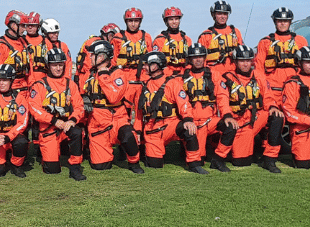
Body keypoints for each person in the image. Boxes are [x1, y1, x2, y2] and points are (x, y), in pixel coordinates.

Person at [122, 52, 206, 173]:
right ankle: (150, 155)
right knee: (154, 164)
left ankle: (194, 164)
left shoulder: (172, 83)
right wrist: (138, 131)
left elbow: (184, 103)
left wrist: (188, 119)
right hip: (152, 129)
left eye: (147, 65)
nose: (144, 67)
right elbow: (139, 112)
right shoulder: (143, 87)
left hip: (171, 124)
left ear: (155, 66)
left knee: (189, 129)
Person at [215, 45, 284, 173]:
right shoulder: (227, 78)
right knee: (241, 162)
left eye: (248, 60)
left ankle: (270, 159)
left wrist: (273, 106)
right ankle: (230, 151)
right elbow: (222, 100)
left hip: (255, 118)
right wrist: (228, 116)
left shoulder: (259, 76)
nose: (245, 64)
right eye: (242, 60)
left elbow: (268, 95)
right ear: (235, 61)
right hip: (239, 122)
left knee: (277, 116)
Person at [82, 40, 143, 174]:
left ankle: (134, 162)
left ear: (102, 56)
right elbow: (82, 92)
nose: (90, 57)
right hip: (98, 122)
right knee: (101, 167)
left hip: (117, 118)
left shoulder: (118, 74)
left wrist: (103, 75)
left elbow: (113, 97)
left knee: (128, 135)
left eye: (93, 55)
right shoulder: (89, 74)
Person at [26, 47, 86, 180]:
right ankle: (48, 153)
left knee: (77, 132)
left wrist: (73, 120)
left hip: (67, 126)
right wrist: (54, 121)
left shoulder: (71, 84)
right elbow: (35, 110)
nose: (58, 68)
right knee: (52, 170)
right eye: (54, 65)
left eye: (60, 65)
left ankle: (75, 168)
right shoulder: (39, 85)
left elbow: (79, 106)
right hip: (49, 129)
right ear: (48, 66)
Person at [181, 43, 227, 166]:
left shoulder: (214, 75)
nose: (198, 60)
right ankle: (185, 149)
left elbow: (222, 97)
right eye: (195, 57)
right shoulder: (182, 77)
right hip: (192, 121)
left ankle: (218, 158)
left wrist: (227, 115)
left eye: (201, 56)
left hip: (210, 120)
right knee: (198, 160)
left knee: (230, 127)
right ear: (189, 59)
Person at [0, 64, 30, 178]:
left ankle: (16, 165)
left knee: (21, 142)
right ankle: (2, 159)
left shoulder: (19, 98)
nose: (2, 83)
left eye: (5, 80)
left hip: (12, 137)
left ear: (11, 81)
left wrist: (8, 137)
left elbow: (22, 123)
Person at [255, 8, 308, 105]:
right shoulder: (265, 42)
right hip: (273, 88)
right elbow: (259, 68)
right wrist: (262, 88)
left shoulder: (301, 41)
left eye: (286, 21)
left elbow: (307, 66)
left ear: (290, 22)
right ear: (275, 22)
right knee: (275, 118)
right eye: (280, 21)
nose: (283, 23)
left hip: (294, 85)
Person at [0, 10, 31, 92]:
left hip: (25, 89)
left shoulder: (24, 43)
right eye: (22, 26)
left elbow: (30, 70)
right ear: (13, 25)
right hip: (10, 90)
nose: (25, 29)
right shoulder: (0, 45)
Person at [197, 1, 244, 68]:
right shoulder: (206, 35)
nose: (222, 17)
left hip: (233, 71)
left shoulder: (235, 32)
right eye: (219, 14)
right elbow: (199, 59)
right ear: (213, 15)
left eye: (225, 14)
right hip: (213, 72)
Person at [112, 7, 152, 79]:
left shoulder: (146, 37)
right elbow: (114, 60)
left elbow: (151, 60)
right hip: (123, 75)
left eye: (136, 21)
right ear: (126, 21)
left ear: (140, 22)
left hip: (142, 75)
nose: (133, 24)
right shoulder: (118, 37)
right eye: (130, 21)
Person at [151, 7, 191, 77]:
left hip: (184, 75)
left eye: (176, 19)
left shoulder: (187, 40)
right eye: (171, 19)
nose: (174, 22)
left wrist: (185, 73)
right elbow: (156, 63)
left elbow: (191, 61)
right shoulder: (159, 40)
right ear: (166, 21)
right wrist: (169, 73)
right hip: (166, 76)